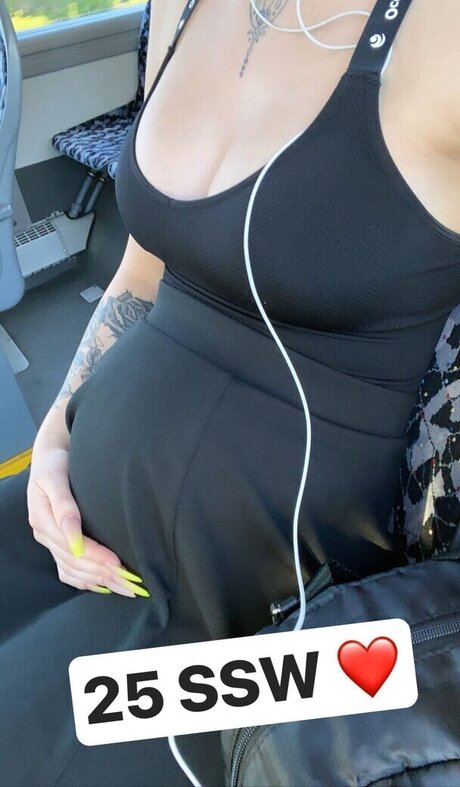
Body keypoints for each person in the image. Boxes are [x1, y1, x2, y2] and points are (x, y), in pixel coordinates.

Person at [1, 0, 460, 784]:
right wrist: (56, 436)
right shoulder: (182, 8)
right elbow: (142, 270)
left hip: (257, 607)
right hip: (81, 514)